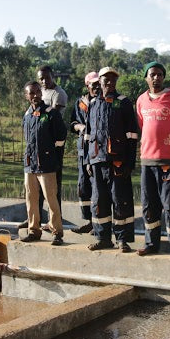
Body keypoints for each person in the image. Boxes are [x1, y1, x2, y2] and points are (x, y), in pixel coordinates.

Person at [135, 61, 170, 259]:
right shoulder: (141, 100)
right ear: (146, 78)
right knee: (149, 205)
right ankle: (151, 243)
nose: (156, 78)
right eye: (152, 74)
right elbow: (142, 127)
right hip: (147, 162)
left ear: (163, 77)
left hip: (169, 161)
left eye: (159, 74)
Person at [87, 67, 138, 252]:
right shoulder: (93, 104)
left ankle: (122, 239)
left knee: (120, 200)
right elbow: (88, 134)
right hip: (97, 160)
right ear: (99, 82)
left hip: (118, 162)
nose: (109, 83)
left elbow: (132, 135)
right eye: (106, 80)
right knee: (99, 201)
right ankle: (103, 238)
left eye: (113, 80)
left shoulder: (123, 103)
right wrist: (88, 160)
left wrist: (130, 162)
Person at [21, 81, 66, 245]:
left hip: (46, 165)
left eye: (37, 92)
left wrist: (54, 158)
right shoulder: (27, 115)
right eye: (31, 93)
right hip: (30, 164)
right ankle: (33, 230)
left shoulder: (51, 113)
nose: (35, 96)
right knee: (31, 199)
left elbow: (61, 137)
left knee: (51, 199)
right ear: (27, 96)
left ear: (41, 93)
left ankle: (57, 232)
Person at [70, 71, 100, 234]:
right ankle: (88, 221)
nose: (96, 87)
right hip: (83, 149)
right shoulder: (80, 103)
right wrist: (80, 127)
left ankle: (99, 223)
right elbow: (73, 122)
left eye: (98, 84)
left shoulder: (102, 101)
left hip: (97, 150)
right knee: (83, 186)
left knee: (98, 186)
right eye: (93, 84)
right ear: (87, 85)